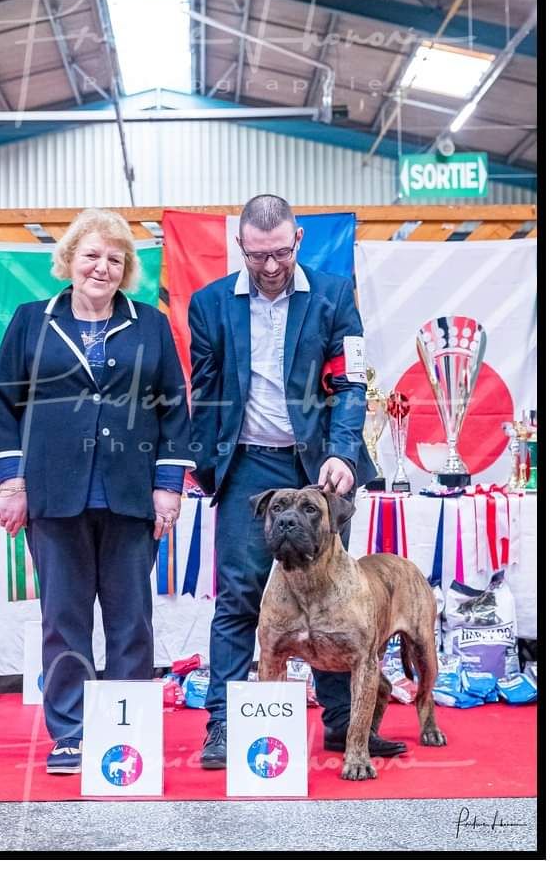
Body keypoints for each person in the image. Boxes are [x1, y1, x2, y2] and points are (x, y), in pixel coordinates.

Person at [189, 194, 407, 768]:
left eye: (280, 253)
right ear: (240, 245)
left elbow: (351, 383)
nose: (269, 266)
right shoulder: (209, 305)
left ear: (298, 241)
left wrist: (342, 455)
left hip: (318, 470)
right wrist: (203, 465)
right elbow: (206, 393)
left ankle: (341, 725)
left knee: (335, 598)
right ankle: (224, 725)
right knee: (238, 596)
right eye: (257, 255)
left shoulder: (334, 295)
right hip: (247, 467)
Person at [0, 208, 194, 774]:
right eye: (91, 255)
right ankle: (71, 734)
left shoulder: (149, 325)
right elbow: (2, 404)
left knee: (132, 622)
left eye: (115, 259)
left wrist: (168, 485)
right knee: (64, 621)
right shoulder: (31, 320)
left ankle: (126, 729)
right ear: (69, 260)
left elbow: (173, 407)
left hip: (130, 496)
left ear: (126, 270)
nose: (102, 267)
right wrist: (13, 483)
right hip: (53, 497)